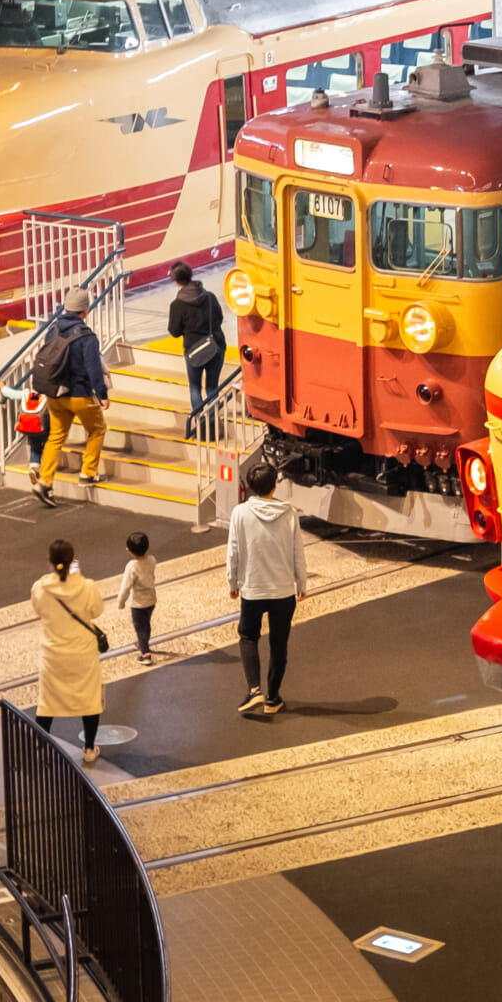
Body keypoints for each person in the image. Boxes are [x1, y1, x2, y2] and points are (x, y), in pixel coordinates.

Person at [226, 465, 307, 717]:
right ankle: (272, 698)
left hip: (253, 588)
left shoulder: (240, 512)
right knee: (278, 643)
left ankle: (254, 689)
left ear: (251, 486)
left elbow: (233, 551)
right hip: (283, 590)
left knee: (248, 636)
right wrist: (301, 583)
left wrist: (233, 582)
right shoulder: (289, 513)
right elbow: (297, 552)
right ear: (275, 486)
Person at [30, 538, 108, 763]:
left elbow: (39, 610)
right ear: (73, 560)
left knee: (48, 702)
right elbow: (97, 611)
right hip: (83, 653)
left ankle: (40, 747)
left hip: (53, 655)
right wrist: (78, 578)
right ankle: (90, 749)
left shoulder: (40, 588)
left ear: (50, 562)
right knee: (89, 700)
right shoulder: (87, 586)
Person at [29, 288, 108, 503]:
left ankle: (45, 482)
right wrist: (102, 395)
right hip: (80, 395)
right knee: (97, 429)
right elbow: (93, 369)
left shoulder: (52, 330)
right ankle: (88, 473)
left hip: (55, 394)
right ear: (85, 310)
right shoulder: (86, 336)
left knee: (55, 437)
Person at [165, 262, 226, 437]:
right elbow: (220, 318)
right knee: (212, 388)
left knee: (195, 388)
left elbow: (174, 331)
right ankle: (213, 426)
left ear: (176, 281)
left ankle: (201, 426)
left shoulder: (177, 305)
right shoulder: (209, 297)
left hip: (193, 351)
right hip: (215, 347)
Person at [121, 530, 160, 663]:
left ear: (129, 550)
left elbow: (126, 586)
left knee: (139, 627)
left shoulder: (131, 567)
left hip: (138, 604)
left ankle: (145, 654)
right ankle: (143, 643)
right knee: (146, 624)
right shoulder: (152, 560)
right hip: (151, 600)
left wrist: (121, 602)